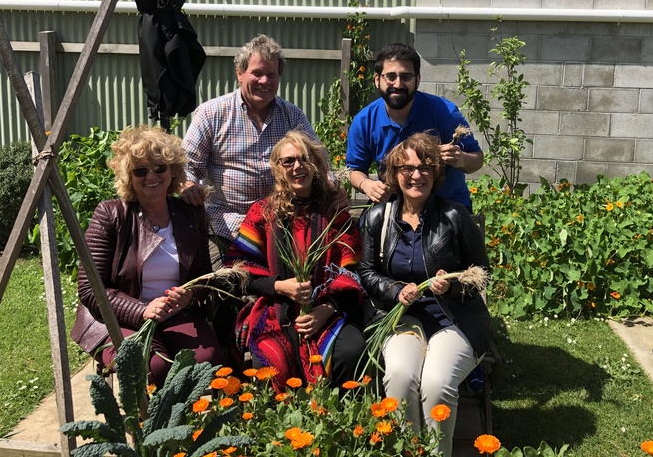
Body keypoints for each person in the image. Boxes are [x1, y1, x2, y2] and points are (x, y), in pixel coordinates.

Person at [357, 133, 492, 457]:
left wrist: (453, 284)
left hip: (455, 318)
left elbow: (482, 272)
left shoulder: (454, 216)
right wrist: (394, 289)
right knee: (400, 377)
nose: (416, 175)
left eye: (424, 168)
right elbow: (367, 272)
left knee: (437, 381)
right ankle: (410, 451)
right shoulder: (377, 218)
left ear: (435, 172)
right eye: (407, 168)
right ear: (394, 173)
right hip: (401, 319)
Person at [70, 126, 223, 388]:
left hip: (175, 314)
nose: (151, 176)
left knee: (207, 362)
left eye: (160, 168)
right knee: (152, 366)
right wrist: (142, 310)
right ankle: (151, 413)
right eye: (140, 171)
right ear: (128, 175)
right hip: (120, 317)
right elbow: (89, 289)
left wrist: (190, 296)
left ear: (172, 171)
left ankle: (186, 413)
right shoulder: (111, 215)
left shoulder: (190, 214)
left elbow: (203, 275)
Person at [181, 34, 347, 263]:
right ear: (240, 73)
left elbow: (320, 162)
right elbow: (186, 167)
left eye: (272, 75)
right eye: (257, 73)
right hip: (228, 231)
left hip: (283, 229)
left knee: (309, 278)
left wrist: (332, 187)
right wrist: (188, 185)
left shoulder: (292, 116)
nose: (264, 81)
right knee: (227, 282)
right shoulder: (211, 114)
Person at [224, 131, 365, 389]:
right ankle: (282, 414)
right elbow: (237, 271)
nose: (298, 166)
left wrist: (327, 308)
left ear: (315, 164)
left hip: (328, 310)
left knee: (350, 351)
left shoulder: (334, 214)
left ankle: (338, 411)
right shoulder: (262, 213)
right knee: (272, 360)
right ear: (277, 169)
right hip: (276, 311)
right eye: (288, 161)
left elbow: (352, 272)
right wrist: (280, 286)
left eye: (304, 158)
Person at [347, 42, 483, 210]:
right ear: (377, 80)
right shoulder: (364, 121)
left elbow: (477, 159)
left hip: (448, 207)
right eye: (390, 77)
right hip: (394, 207)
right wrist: (366, 184)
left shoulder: (444, 112)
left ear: (417, 80)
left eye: (406, 77)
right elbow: (354, 170)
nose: (398, 84)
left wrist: (461, 158)